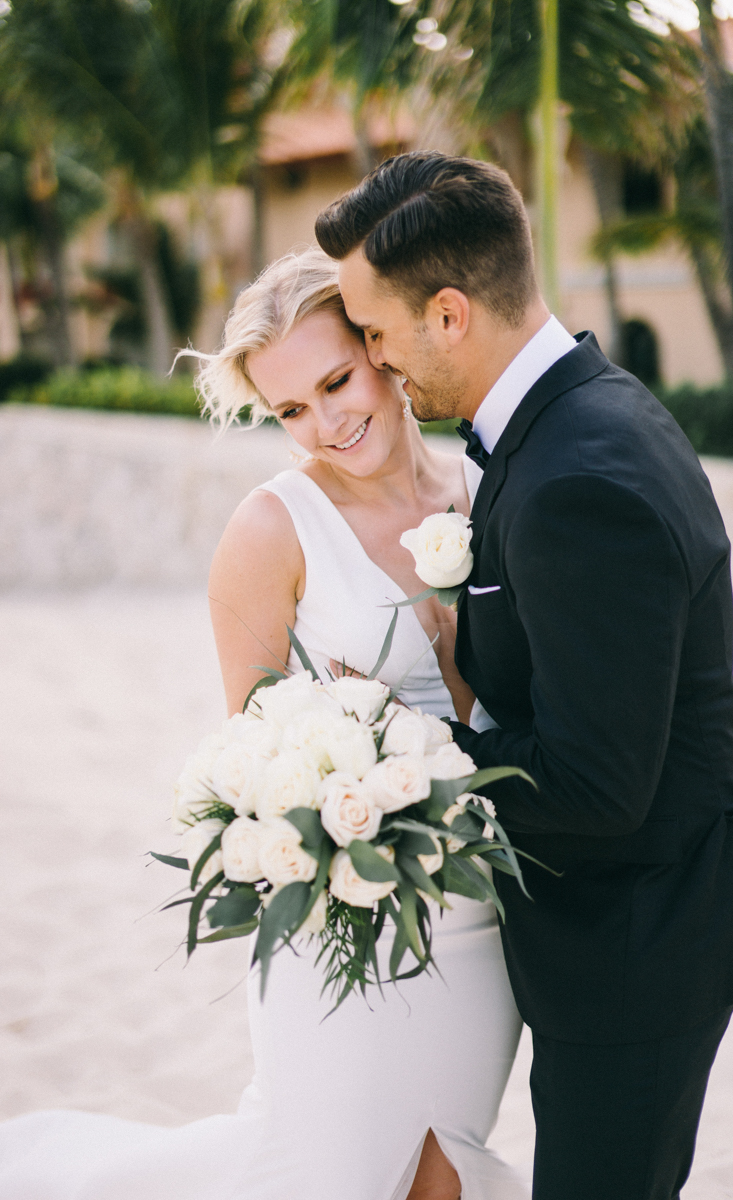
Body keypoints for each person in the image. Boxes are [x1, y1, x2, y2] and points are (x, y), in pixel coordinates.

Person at [0, 247, 528, 1200]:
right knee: (320, 1173)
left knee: (444, 1171)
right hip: (348, 917)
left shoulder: (488, 496)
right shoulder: (269, 531)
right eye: (291, 408)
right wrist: (348, 761)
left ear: (382, 350)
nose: (326, 424)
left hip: (483, 915)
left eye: (337, 381)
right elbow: (259, 765)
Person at [314, 151, 733, 1200]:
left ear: (446, 315)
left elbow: (592, 787)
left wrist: (403, 761)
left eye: (376, 334)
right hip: (628, 916)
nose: (376, 364)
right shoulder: (573, 413)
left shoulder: (574, 476)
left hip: (634, 941)